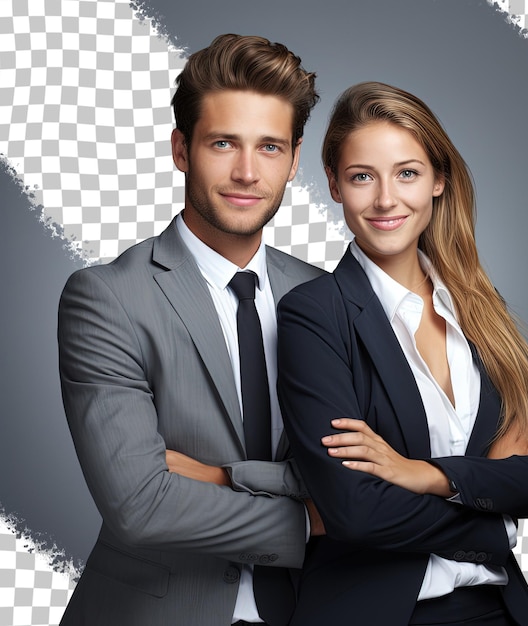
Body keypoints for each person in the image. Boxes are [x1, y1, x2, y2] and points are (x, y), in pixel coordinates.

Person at [276, 82, 528, 626]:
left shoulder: (479, 309)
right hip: (379, 613)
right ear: (333, 184)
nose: (384, 200)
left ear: (439, 179)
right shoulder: (314, 313)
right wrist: (497, 512)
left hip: (499, 610)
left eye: (407, 173)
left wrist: (432, 476)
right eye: (360, 177)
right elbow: (355, 512)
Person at [57, 34, 325, 626]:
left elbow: (357, 474)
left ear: (295, 159)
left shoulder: (324, 294)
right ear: (182, 149)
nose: (247, 172)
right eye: (224, 143)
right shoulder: (108, 298)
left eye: (270, 147)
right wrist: (311, 518)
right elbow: (141, 504)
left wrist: (222, 476)